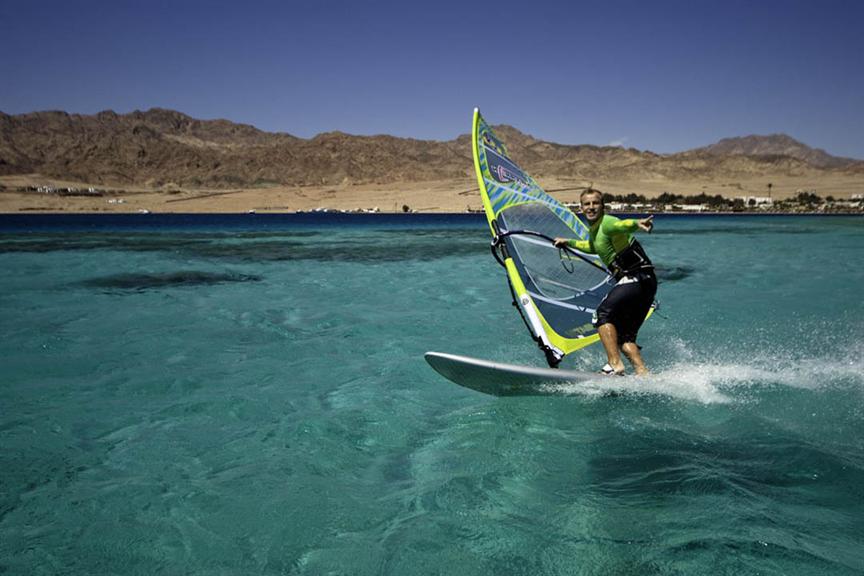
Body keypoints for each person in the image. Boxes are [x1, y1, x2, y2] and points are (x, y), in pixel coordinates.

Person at [554, 189, 656, 375]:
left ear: (603, 206)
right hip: (646, 281)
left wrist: (637, 223)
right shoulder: (595, 230)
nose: (591, 207)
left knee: (602, 315)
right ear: (581, 207)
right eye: (587, 204)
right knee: (624, 337)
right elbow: (593, 247)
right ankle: (644, 374)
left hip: (635, 278)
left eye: (595, 203)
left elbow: (621, 225)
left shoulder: (607, 223)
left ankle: (614, 364)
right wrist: (568, 242)